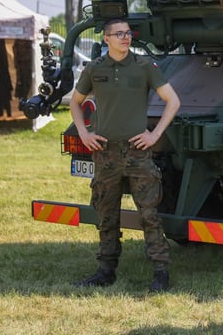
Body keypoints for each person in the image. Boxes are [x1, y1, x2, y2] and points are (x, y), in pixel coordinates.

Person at [69, 18, 181, 292]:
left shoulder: (144, 66)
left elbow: (173, 101)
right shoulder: (95, 69)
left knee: (149, 215)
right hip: (105, 154)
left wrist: (154, 136)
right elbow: (75, 101)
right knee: (106, 215)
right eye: (118, 34)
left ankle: (160, 273)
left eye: (128, 33)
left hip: (138, 153)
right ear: (106, 39)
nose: (125, 37)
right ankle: (105, 271)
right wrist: (84, 133)